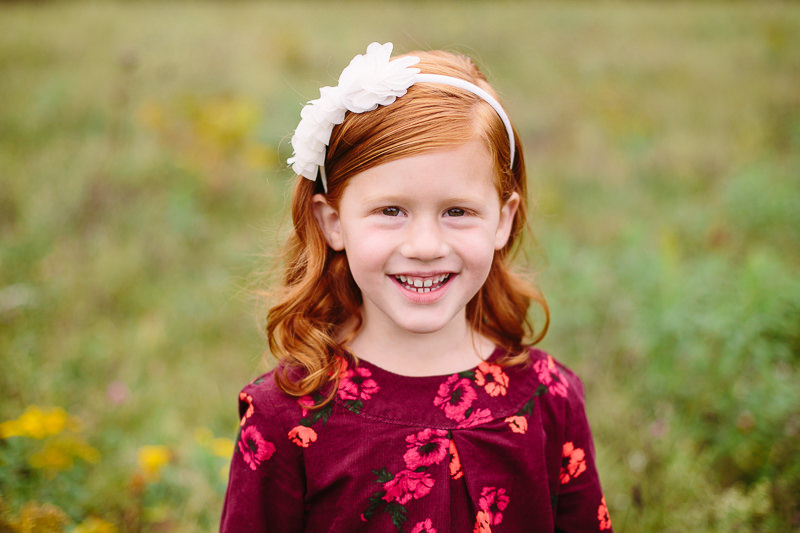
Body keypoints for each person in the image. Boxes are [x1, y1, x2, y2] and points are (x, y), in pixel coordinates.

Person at [220, 42, 612, 533]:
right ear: (333, 222)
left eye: (457, 211)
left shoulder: (549, 399)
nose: (425, 246)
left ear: (503, 220)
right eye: (391, 211)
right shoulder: (286, 417)